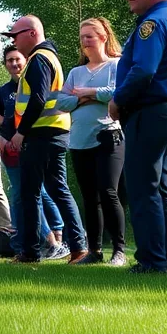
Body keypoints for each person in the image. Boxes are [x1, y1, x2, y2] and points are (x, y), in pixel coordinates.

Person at [110, 0, 167, 274]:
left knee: (144, 189)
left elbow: (143, 70)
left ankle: (152, 262)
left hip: (151, 112)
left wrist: (118, 99)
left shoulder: (152, 24)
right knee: (160, 189)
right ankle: (166, 260)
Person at [2, 15, 88, 264]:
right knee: (58, 189)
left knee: (30, 193)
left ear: (31, 33)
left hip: (41, 134)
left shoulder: (39, 59)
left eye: (15, 36)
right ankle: (79, 246)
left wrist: (21, 132)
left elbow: (38, 98)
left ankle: (30, 252)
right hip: (54, 132)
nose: (13, 41)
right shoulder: (48, 57)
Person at [58, 17, 126, 266]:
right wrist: (89, 98)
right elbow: (61, 102)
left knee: (109, 192)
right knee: (89, 197)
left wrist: (87, 93)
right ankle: (94, 251)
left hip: (109, 136)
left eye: (89, 36)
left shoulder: (116, 65)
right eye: (82, 37)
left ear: (103, 37)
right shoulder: (76, 72)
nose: (85, 41)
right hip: (79, 140)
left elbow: (118, 92)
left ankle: (119, 250)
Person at [0, 46, 66, 259]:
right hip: (10, 149)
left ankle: (54, 239)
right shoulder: (3, 91)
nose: (14, 64)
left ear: (25, 61)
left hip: (33, 142)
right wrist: (1, 137)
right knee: (21, 193)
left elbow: (39, 103)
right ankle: (26, 243)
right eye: (9, 60)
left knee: (40, 192)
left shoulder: (36, 78)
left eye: (17, 59)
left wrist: (21, 134)